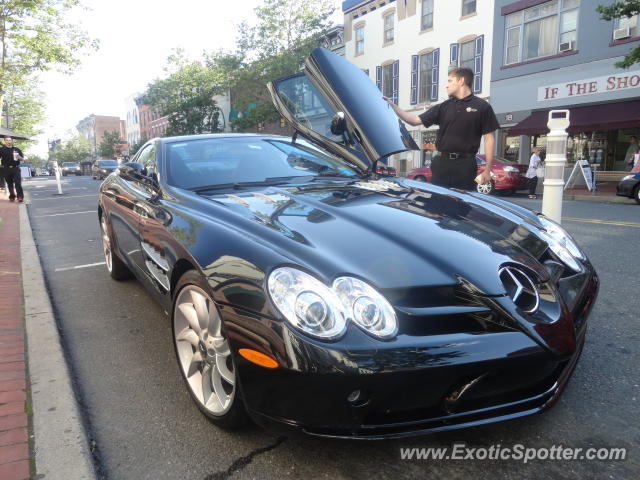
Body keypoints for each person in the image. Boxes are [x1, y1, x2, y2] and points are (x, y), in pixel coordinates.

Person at [384, 67, 500, 190]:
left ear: (461, 81)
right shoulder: (444, 107)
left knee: (462, 205)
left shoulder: (482, 107)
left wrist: (487, 170)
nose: (446, 85)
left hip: (465, 166)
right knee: (437, 204)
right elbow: (414, 120)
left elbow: (489, 139)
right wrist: (393, 106)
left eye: (450, 81)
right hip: (441, 164)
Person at [0, 136, 25, 202]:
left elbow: (22, 159)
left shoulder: (17, 149)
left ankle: (20, 197)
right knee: (9, 184)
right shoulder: (1, 149)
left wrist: (19, 157)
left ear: (12, 141)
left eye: (10, 140)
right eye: (7, 140)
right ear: (4, 141)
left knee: (18, 183)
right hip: (6, 169)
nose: (9, 141)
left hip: (16, 168)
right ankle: (12, 196)